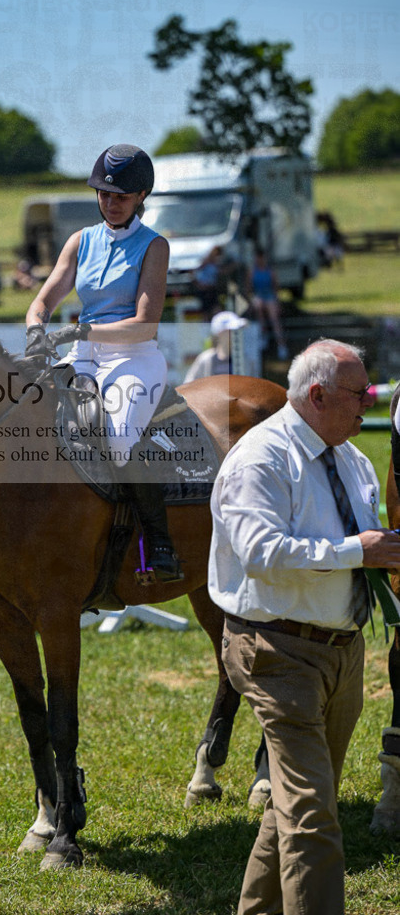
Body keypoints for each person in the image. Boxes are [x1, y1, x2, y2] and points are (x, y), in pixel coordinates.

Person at [208, 339, 400, 915]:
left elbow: (365, 548)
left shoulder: (353, 458)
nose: (367, 402)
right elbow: (259, 552)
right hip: (276, 651)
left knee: (294, 808)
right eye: (358, 393)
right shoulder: (260, 459)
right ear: (317, 395)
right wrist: (356, 551)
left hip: (342, 653)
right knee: (313, 817)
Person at [24, 143, 181, 582]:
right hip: (83, 355)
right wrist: (37, 326)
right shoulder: (80, 241)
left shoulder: (154, 246)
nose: (111, 203)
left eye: (122, 197)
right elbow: (45, 298)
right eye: (104, 194)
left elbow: (145, 324)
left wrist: (80, 331)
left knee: (117, 441)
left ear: (141, 197)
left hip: (134, 357)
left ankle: (159, 540)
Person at [182, 310, 255, 382]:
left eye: (238, 330)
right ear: (220, 333)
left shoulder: (246, 361)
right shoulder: (205, 360)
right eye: (231, 330)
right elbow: (187, 388)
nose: (236, 334)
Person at [246, 247, 288, 360]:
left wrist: (278, 302)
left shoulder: (270, 271)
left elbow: (276, 288)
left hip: (269, 296)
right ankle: (263, 336)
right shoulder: (252, 271)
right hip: (258, 296)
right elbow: (249, 289)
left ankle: (281, 346)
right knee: (259, 307)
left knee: (274, 317)